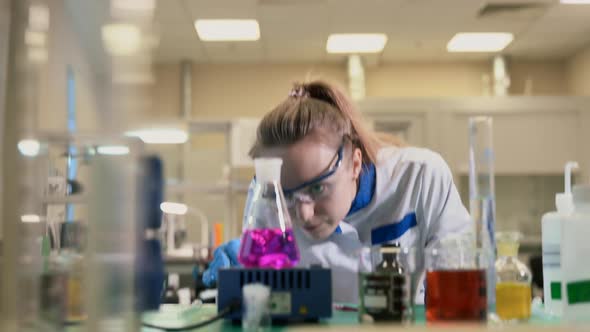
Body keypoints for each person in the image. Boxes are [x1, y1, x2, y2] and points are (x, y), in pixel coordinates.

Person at [202, 80, 471, 303]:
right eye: (287, 195)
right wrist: (245, 282)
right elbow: (266, 306)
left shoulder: (420, 177)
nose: (304, 213)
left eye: (318, 187)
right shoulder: (268, 195)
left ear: (354, 164)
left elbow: (460, 290)